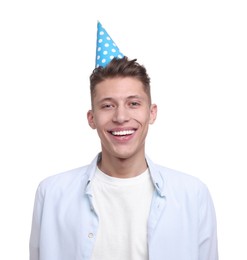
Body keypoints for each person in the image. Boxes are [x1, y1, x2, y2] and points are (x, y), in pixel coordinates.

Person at [29, 22, 218, 260]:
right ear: (92, 118)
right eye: (107, 105)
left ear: (152, 113)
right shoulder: (52, 194)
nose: (120, 117)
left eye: (134, 103)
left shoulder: (192, 195)